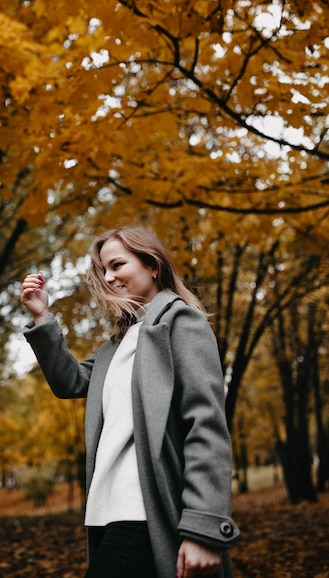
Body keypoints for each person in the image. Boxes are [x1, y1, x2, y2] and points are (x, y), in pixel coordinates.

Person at [20, 226, 239, 578]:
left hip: (146, 509)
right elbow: (70, 381)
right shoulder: (116, 346)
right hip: (106, 511)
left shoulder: (181, 323)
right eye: (103, 270)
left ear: (152, 265)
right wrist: (42, 317)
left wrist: (204, 528)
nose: (108, 277)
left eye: (117, 265)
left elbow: (206, 427)